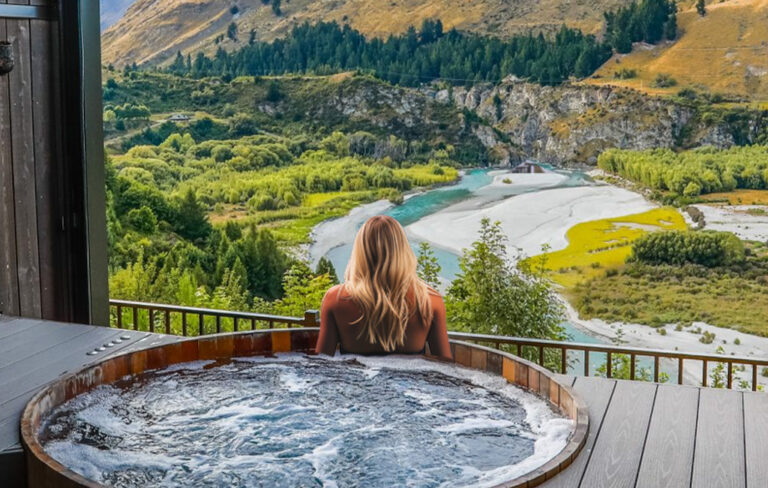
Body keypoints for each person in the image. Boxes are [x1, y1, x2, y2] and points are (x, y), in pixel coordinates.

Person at [315, 216, 452, 360]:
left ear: (361, 251)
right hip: (410, 382)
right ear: (401, 249)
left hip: (356, 382)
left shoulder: (336, 299)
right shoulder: (429, 300)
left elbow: (323, 364)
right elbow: (445, 366)